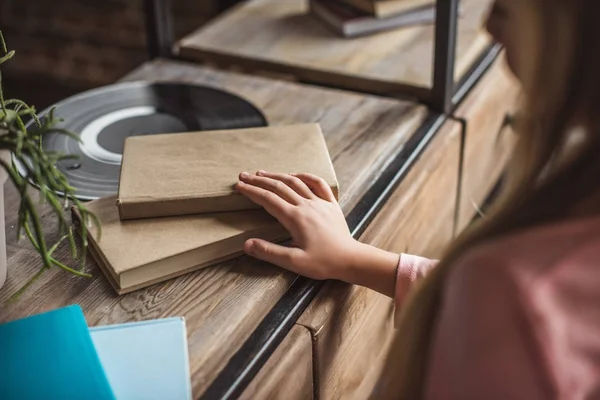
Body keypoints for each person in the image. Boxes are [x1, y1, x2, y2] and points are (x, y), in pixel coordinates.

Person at [237, 0, 600, 397]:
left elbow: (508, 308)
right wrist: (355, 260)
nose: (486, 27)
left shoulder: (511, 292)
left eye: (505, 9)